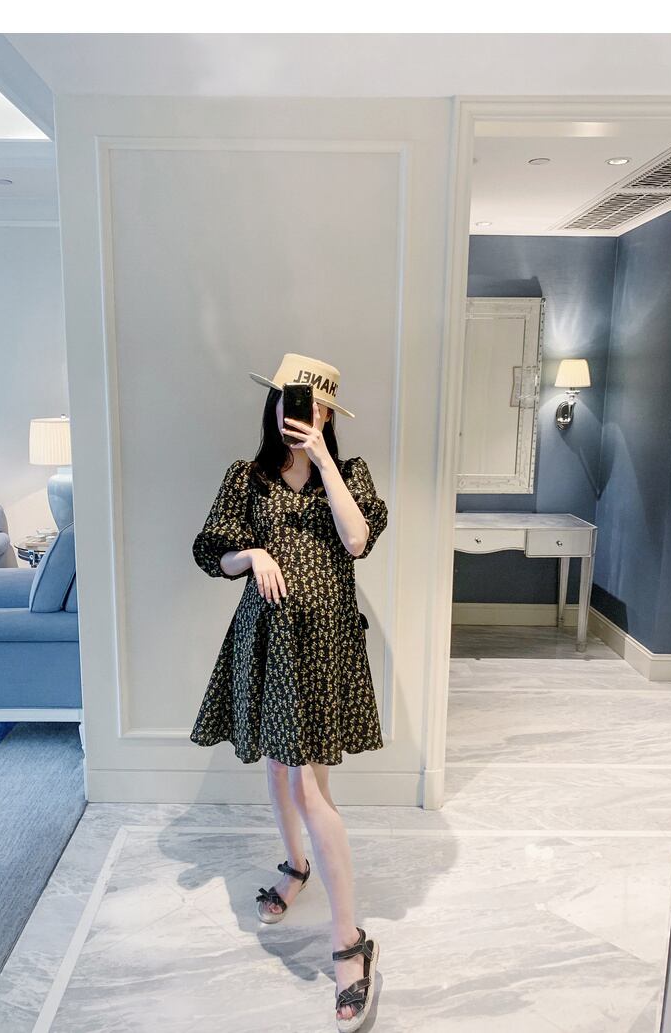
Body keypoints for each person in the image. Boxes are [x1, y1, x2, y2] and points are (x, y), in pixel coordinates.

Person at [190, 352, 387, 1031]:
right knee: (281, 770)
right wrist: (253, 554)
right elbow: (213, 551)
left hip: (325, 642)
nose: (295, 411)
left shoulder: (350, 474)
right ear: (272, 405)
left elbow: (356, 540)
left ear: (327, 415)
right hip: (268, 641)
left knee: (308, 783)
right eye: (287, 398)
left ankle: (348, 941)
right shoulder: (245, 477)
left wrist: (325, 460)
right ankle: (297, 867)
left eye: (311, 404)